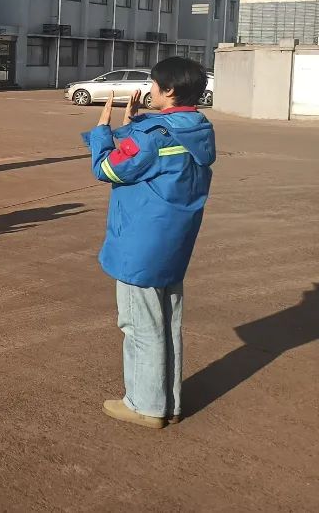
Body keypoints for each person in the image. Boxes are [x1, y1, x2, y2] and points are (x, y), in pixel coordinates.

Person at [83, 56, 216, 428]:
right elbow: (153, 159)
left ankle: (145, 405)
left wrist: (103, 131)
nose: (150, 90)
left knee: (139, 324)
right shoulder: (199, 128)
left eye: (155, 85)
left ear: (168, 90)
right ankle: (168, 402)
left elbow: (108, 168)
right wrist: (134, 126)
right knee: (168, 322)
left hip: (140, 244)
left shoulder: (152, 136)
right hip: (174, 241)